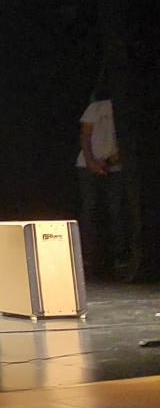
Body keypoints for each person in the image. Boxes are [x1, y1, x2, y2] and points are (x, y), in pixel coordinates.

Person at [77, 87, 128, 280]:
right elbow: (85, 135)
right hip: (88, 165)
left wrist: (108, 163)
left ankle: (119, 259)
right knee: (89, 210)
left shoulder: (126, 112)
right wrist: (91, 162)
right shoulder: (98, 106)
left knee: (116, 211)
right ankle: (87, 259)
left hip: (113, 166)